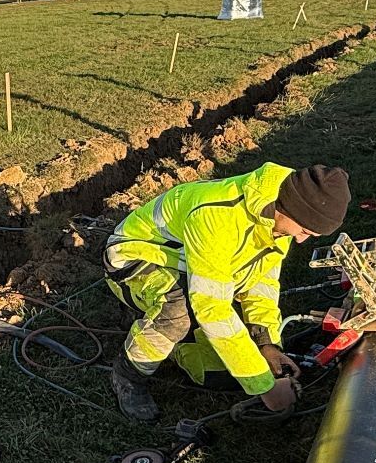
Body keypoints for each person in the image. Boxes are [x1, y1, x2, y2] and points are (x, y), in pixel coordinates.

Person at [103, 162, 350, 422]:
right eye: (303, 231)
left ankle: (162, 338)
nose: (300, 240)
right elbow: (211, 309)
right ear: (288, 208)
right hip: (134, 258)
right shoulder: (218, 216)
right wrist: (264, 387)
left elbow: (261, 285)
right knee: (179, 312)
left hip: (184, 262)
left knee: (219, 375)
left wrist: (266, 344)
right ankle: (128, 375)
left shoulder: (279, 217)